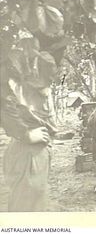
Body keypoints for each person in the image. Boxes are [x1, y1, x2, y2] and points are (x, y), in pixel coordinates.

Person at [0, 81, 57, 212]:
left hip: (35, 144)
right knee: (27, 204)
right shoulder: (22, 73)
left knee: (34, 202)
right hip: (28, 149)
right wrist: (24, 134)